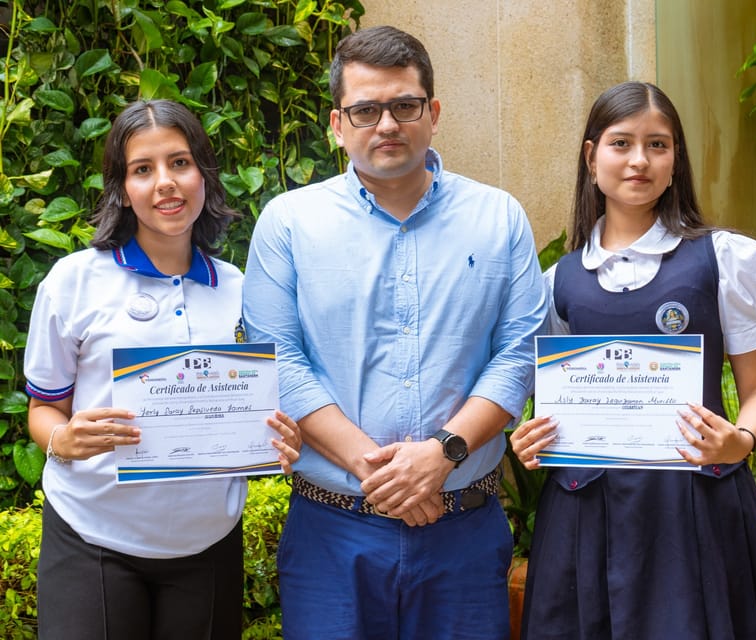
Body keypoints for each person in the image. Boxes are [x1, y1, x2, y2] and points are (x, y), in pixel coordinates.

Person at [243, 24, 548, 640]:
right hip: (332, 533)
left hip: (462, 531)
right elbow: (277, 362)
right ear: (337, 123)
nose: (387, 124)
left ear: (432, 113)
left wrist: (441, 455)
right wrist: (387, 476)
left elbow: (518, 355)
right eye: (365, 110)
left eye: (404, 106)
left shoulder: (499, 218)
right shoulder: (289, 223)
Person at [510, 81, 756, 639]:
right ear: (592, 157)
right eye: (621, 143)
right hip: (586, 514)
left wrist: (739, 440)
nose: (639, 160)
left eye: (657, 145)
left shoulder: (725, 259)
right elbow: (553, 402)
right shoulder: (557, 282)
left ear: (675, 159)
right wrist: (530, 438)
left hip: (695, 507)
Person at [24, 99, 301, 640]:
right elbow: (44, 408)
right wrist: (62, 439)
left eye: (179, 163)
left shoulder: (243, 289)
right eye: (142, 170)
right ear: (122, 188)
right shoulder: (74, 281)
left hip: (208, 543)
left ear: (203, 172)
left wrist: (279, 436)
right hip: (92, 537)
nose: (165, 184)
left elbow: (265, 406)